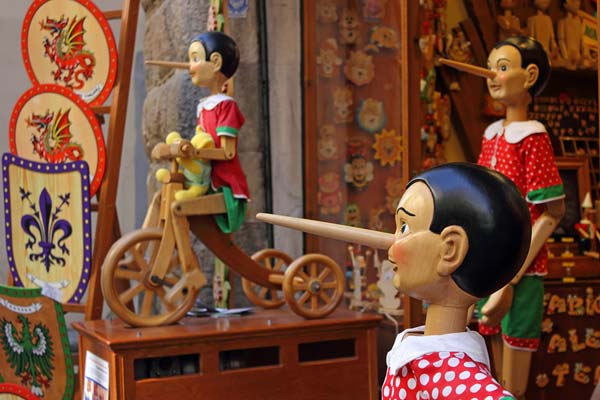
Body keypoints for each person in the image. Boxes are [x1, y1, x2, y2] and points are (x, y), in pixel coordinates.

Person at [257, 162, 532, 399]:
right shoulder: (430, 353)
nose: (392, 241)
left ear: (450, 250)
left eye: (405, 227)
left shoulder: (452, 373)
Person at [475, 36, 565, 398]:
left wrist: (512, 276)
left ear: (529, 76)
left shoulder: (533, 137)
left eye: (501, 67)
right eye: (490, 68)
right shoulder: (491, 135)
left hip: (521, 274)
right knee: (488, 373)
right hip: (489, 267)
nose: (491, 76)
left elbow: (552, 212)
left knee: (513, 380)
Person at [152, 31, 249, 233]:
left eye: (195, 59)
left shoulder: (226, 106)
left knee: (177, 206)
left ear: (215, 62)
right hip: (204, 176)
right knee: (162, 197)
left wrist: (194, 152)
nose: (190, 67)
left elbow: (227, 152)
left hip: (222, 182)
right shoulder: (204, 106)